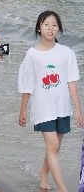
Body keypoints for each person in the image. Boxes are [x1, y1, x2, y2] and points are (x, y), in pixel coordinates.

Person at [18, 11, 82, 192]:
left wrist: (78, 109)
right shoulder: (32, 54)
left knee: (55, 146)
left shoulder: (66, 52)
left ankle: (43, 174)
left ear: (59, 29)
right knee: (53, 145)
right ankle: (63, 189)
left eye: (54, 25)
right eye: (46, 24)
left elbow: (72, 82)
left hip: (62, 107)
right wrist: (23, 110)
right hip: (42, 107)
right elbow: (27, 84)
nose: (50, 28)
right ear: (39, 28)